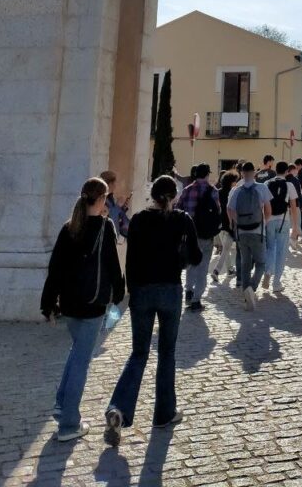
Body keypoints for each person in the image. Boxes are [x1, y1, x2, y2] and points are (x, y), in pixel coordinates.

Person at [103, 175, 202, 447]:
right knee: (167, 353)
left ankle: (118, 409)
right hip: (170, 290)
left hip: (142, 292)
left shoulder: (138, 220)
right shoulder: (182, 220)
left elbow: (131, 261)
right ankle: (164, 413)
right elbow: (196, 257)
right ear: (175, 196)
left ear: (152, 195)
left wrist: (131, 292)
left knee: (138, 354)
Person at [41, 177, 124, 443]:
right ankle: (69, 424)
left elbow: (55, 268)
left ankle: (60, 404)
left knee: (75, 353)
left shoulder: (69, 227)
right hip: (93, 304)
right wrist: (120, 294)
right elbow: (112, 264)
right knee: (81, 362)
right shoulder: (105, 227)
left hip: (69, 303)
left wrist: (48, 304)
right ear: (101, 200)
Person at [176, 163, 222, 311]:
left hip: (189, 234)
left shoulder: (187, 190)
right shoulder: (213, 191)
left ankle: (189, 291)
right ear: (207, 174)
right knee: (203, 267)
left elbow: (178, 210)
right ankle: (196, 300)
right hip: (206, 234)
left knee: (191, 263)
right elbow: (218, 212)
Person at [227, 162, 271, 310]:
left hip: (242, 233)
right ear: (254, 173)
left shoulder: (236, 191)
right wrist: (264, 222)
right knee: (261, 263)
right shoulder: (262, 188)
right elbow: (268, 209)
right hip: (258, 232)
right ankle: (251, 289)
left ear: (242, 174)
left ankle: (247, 298)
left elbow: (229, 209)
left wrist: (238, 222)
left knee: (245, 264)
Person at [262, 161, 300, 293]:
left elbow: (263, 204)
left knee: (270, 248)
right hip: (284, 220)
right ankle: (276, 283)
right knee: (281, 252)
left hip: (269, 220)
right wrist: (295, 226)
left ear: (276, 170)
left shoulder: (266, 184)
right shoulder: (289, 185)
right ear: (287, 172)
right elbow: (294, 207)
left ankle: (267, 271)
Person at [211, 170, 239, 283]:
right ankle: (216, 271)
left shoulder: (217, 192)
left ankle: (230, 270)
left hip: (219, 225)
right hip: (229, 225)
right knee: (225, 250)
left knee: (225, 249)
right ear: (231, 182)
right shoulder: (233, 193)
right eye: (235, 181)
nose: (236, 183)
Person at [100, 170, 130, 239]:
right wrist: (118, 206)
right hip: (105, 237)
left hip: (113, 236)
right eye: (115, 182)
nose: (116, 185)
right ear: (110, 184)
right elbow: (109, 217)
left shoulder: (110, 198)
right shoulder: (101, 198)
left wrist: (122, 208)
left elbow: (117, 217)